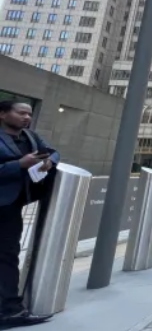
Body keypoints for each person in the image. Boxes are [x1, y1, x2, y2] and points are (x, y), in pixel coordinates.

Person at [0, 101, 59, 328]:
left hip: (12, 206)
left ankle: (10, 311)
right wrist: (19, 164)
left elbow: (54, 153)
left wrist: (48, 161)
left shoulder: (31, 137)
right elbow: (17, 166)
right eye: (21, 112)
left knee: (8, 255)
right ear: (4, 114)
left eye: (29, 114)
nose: (26, 117)